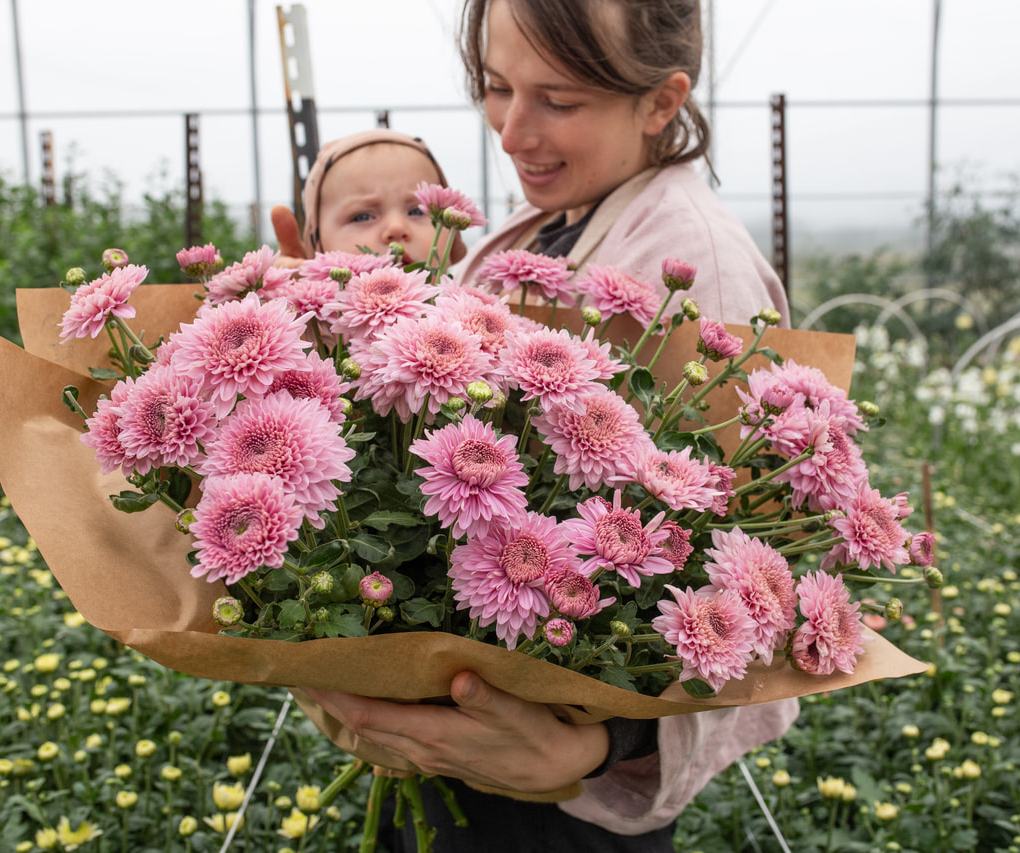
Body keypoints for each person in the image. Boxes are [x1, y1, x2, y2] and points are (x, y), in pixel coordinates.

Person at [278, 1, 798, 849]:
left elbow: (753, 593)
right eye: (494, 87)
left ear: (662, 102)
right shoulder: (537, 228)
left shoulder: (696, 268)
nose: (514, 133)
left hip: (556, 816)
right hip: (464, 756)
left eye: (558, 100)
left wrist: (597, 744)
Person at [271, 128, 468, 268]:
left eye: (417, 211)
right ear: (317, 246)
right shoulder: (310, 324)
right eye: (362, 217)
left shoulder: (473, 317)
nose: (396, 228)